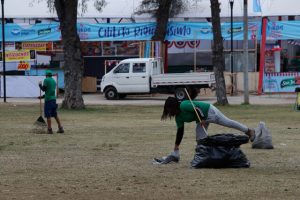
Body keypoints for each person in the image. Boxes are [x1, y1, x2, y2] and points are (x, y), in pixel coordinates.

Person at [160, 97, 255, 162]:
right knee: (200, 139)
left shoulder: (183, 105)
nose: (169, 113)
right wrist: (176, 148)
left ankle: (249, 131)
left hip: (209, 111)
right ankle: (206, 156)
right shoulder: (178, 118)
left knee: (228, 123)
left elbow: (197, 108)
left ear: (174, 106)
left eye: (169, 110)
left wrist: (201, 118)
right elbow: (180, 132)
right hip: (202, 120)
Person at [39, 70, 64, 134]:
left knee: (48, 115)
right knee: (55, 114)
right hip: (53, 100)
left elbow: (44, 89)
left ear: (46, 75)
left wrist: (40, 85)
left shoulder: (46, 80)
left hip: (48, 100)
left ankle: (49, 129)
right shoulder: (53, 81)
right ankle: (60, 128)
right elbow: (49, 91)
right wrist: (42, 96)